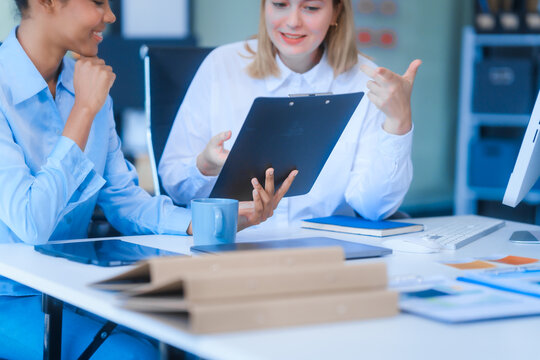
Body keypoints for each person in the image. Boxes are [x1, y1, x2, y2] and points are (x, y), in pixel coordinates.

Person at [0, 0, 295, 358]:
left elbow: (125, 201)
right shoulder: (79, 95)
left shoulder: (86, 85)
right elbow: (32, 224)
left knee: (211, 343)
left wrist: (219, 219)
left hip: (74, 285)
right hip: (13, 296)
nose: (109, 16)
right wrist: (83, 111)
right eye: (97, 2)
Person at [159, 0, 421, 230]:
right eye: (280, 4)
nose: (293, 22)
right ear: (264, 7)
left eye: (311, 8)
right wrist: (204, 167)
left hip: (327, 253)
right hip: (233, 245)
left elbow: (375, 208)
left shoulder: (366, 80)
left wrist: (398, 122)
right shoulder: (221, 65)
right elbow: (174, 185)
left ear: (336, 12)